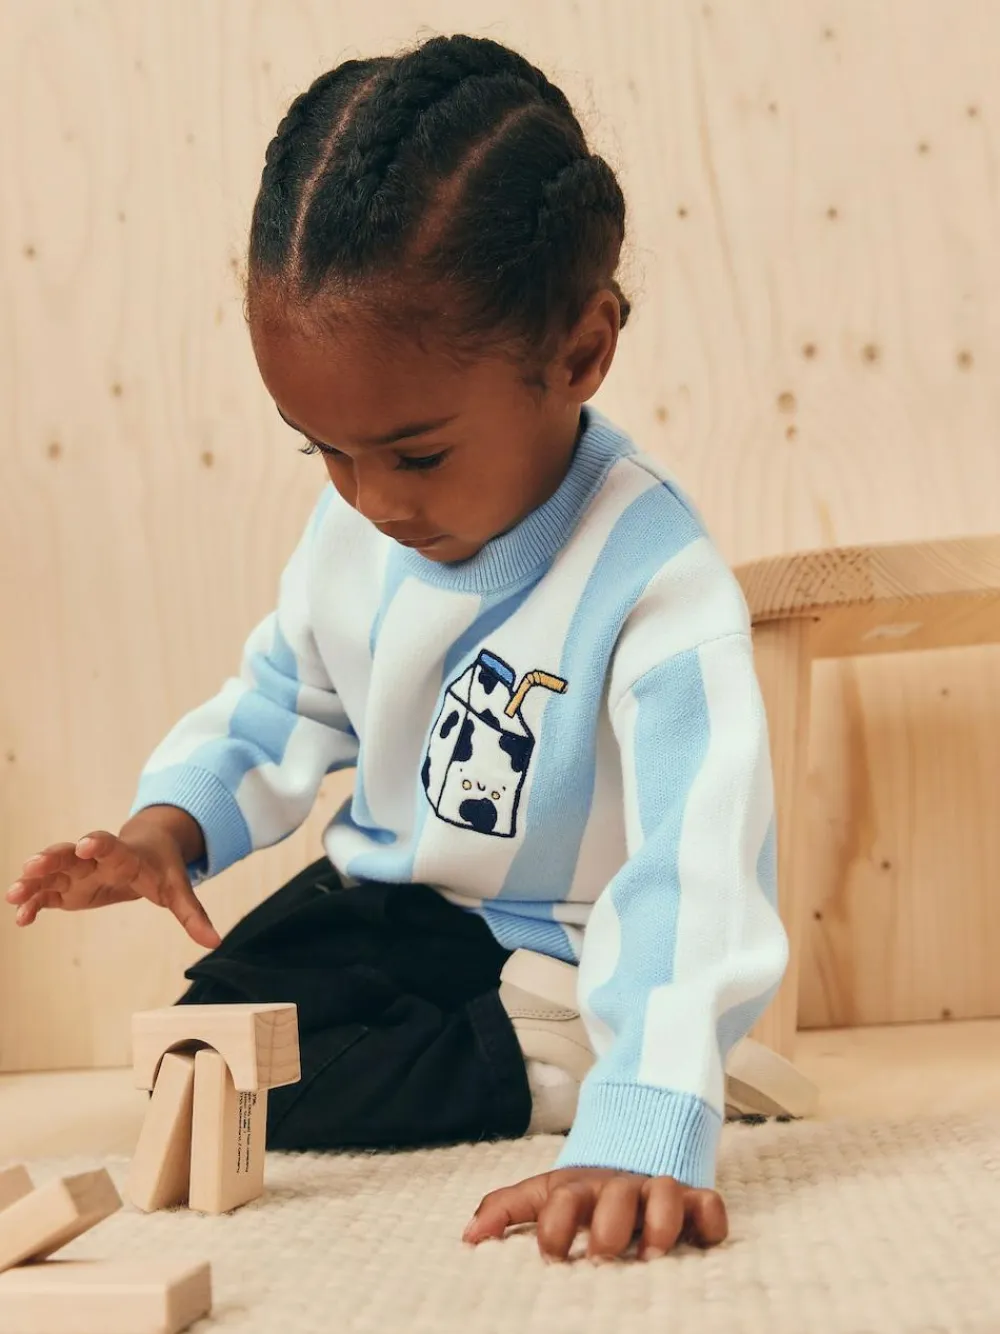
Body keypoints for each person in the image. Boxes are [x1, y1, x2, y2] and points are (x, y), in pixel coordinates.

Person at [6, 33, 789, 1264]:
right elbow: (286, 695)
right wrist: (168, 828)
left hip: (560, 945)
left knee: (312, 1076)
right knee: (210, 1043)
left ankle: (581, 1057)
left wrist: (644, 1123)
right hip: (401, 903)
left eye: (415, 454)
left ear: (579, 354)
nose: (368, 499)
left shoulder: (656, 584)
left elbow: (697, 871)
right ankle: (506, 1042)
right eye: (320, 448)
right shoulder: (362, 525)